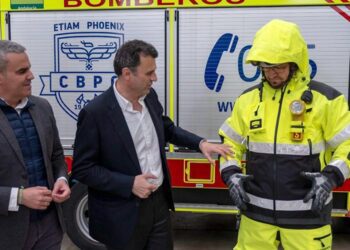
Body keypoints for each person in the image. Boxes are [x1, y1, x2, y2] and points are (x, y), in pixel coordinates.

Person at [72, 39, 232, 250]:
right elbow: (83, 169)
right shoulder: (95, 113)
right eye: (149, 73)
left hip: (158, 205)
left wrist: (201, 144)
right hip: (122, 213)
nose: (154, 78)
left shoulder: (149, 97)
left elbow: (168, 129)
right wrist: (129, 184)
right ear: (127, 74)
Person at [219, 19, 350, 250]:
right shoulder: (248, 100)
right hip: (256, 216)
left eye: (278, 67)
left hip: (308, 216)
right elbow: (229, 142)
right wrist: (231, 174)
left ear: (296, 63)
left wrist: (330, 177)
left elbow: (347, 144)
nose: (272, 74)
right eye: (266, 67)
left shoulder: (326, 100)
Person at [0, 40, 71, 250]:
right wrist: (20, 197)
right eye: (22, 71)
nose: (31, 75)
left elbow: (56, 154)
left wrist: (60, 179)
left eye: (29, 68)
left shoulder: (42, 107)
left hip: (50, 226)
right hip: (7, 234)